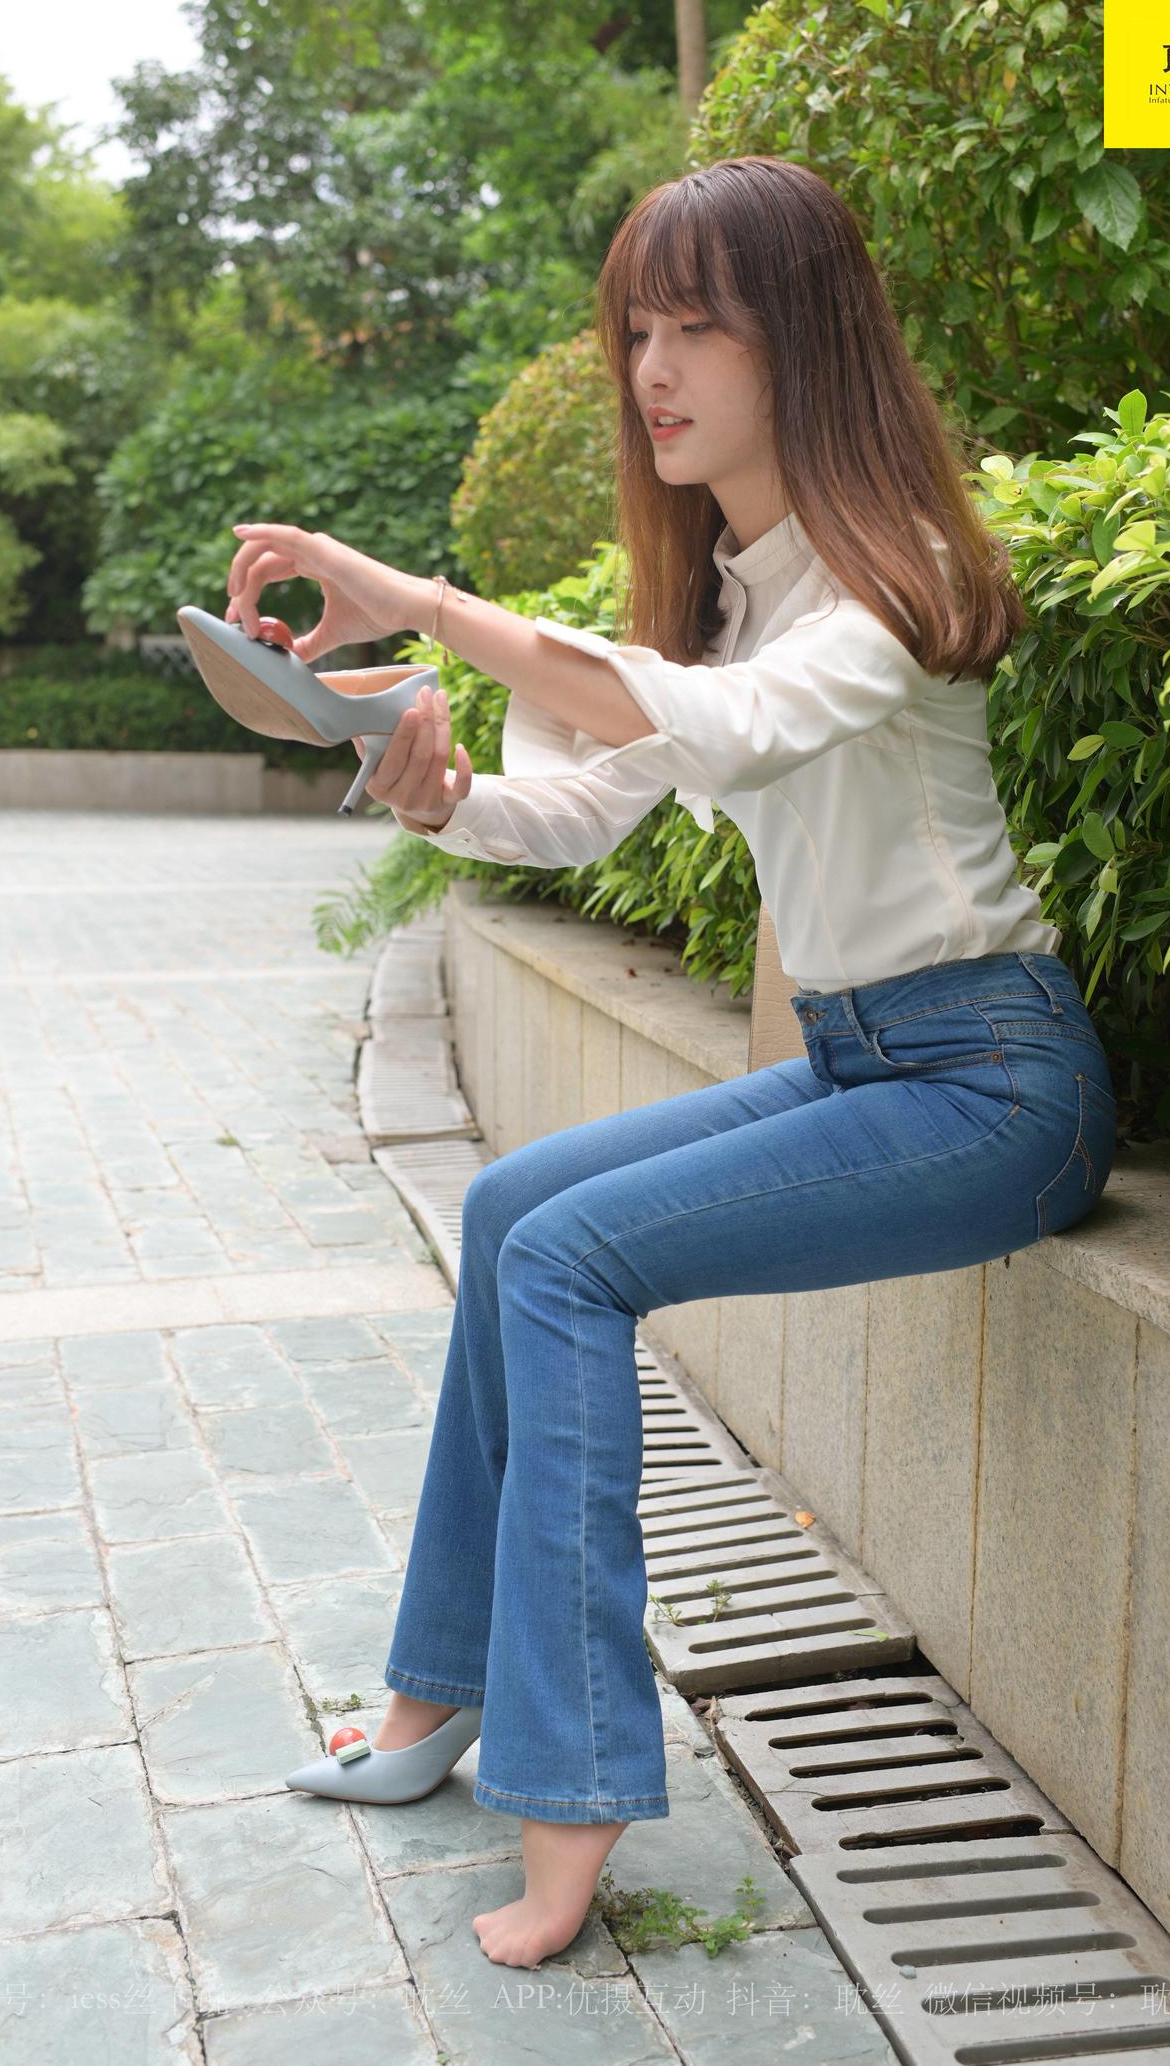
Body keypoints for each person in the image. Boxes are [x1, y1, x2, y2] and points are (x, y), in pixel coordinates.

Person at [224, 154, 1117, 1971]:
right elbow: (581, 806)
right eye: (639, 326)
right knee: (513, 1206)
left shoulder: (899, 572)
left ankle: (572, 1799)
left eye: (699, 326)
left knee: (567, 1258)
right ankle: (436, 1697)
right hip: (867, 1063)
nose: (653, 367)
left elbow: (721, 728)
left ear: (808, 340)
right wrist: (437, 790)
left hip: (995, 1084)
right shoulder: (737, 591)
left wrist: (422, 601)